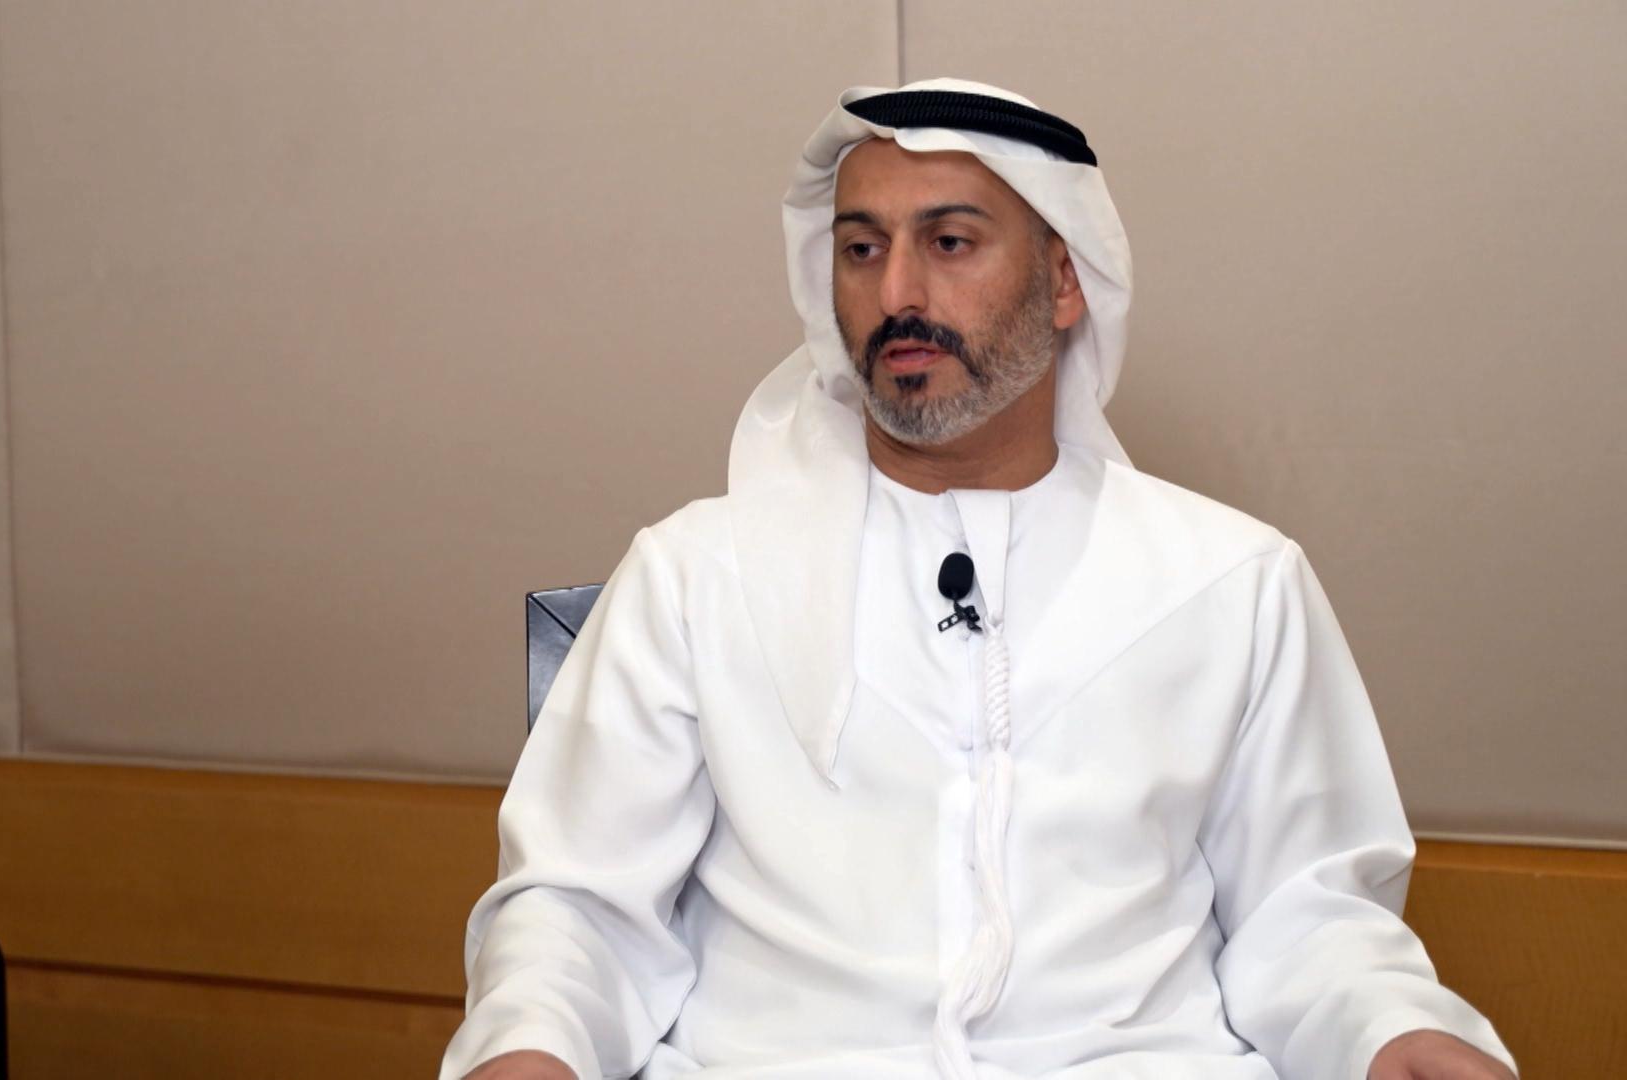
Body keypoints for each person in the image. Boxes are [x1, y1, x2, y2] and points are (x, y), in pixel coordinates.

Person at [441, 78, 1517, 1080]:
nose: (897, 292)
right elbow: (577, 912)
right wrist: (532, 1045)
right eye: (861, 249)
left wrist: (1391, 1030)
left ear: (1064, 281)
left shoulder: (1232, 581)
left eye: (949, 242)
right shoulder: (693, 575)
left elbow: (1308, 915)